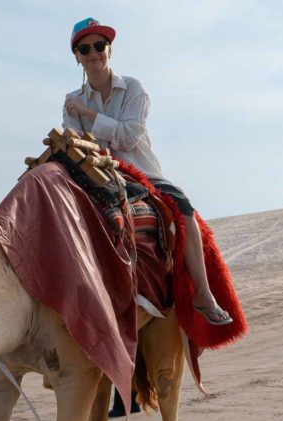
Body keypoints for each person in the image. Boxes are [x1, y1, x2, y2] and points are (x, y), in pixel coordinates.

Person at [62, 18, 232, 326]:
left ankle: (203, 294)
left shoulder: (134, 89)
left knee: (185, 212)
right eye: (85, 48)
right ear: (76, 56)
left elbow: (129, 136)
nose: (93, 53)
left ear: (109, 50)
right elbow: (74, 142)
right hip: (95, 176)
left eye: (99, 46)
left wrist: (89, 116)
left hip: (140, 172)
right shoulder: (71, 100)